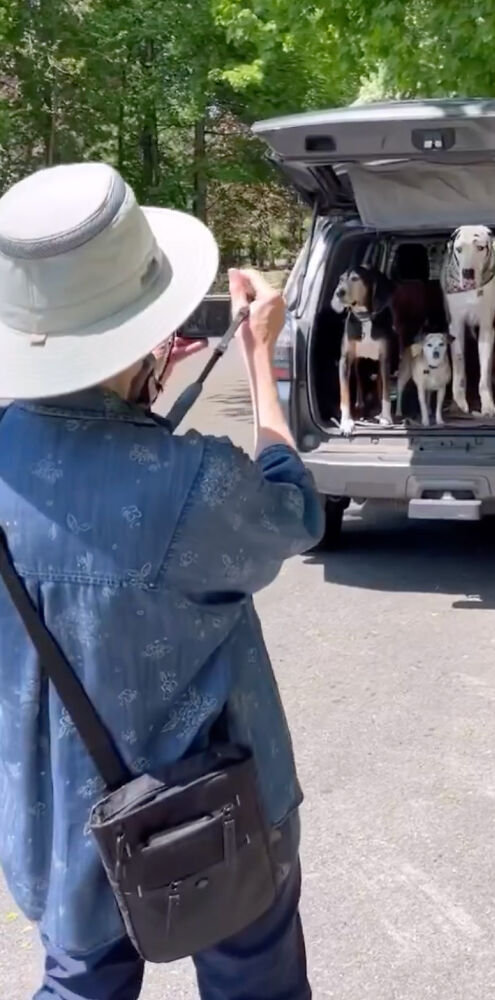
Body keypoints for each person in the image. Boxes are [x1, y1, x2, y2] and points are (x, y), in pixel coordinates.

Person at [0, 162, 323, 999]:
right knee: (257, 984)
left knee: (78, 980)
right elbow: (295, 510)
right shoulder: (189, 483)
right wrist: (261, 361)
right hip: (221, 816)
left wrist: (134, 391)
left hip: (55, 824)